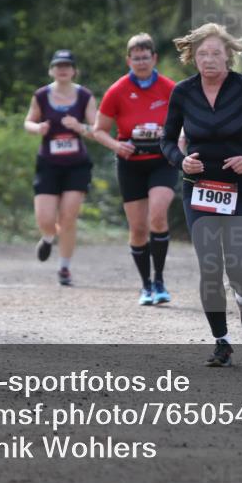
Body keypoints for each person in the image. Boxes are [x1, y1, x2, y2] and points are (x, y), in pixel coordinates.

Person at [161, 23, 242, 367]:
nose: (209, 59)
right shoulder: (183, 93)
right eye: (202, 54)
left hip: (237, 188)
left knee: (240, 265)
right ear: (192, 58)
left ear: (228, 55)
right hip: (198, 190)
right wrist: (182, 162)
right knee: (210, 266)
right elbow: (167, 140)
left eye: (215, 53)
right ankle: (221, 342)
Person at [92, 33, 177, 306]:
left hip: (162, 162)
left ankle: (160, 280)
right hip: (131, 165)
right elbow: (99, 130)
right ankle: (146, 286)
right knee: (139, 228)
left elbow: (186, 122)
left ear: (155, 58)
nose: (141, 62)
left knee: (158, 215)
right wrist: (116, 147)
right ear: (129, 60)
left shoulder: (170, 88)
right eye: (136, 58)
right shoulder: (117, 90)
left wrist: (180, 140)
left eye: (145, 57)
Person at [23, 49, 97, 286]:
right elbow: (28, 122)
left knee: (68, 217)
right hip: (48, 164)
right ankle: (47, 237)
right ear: (51, 70)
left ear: (74, 70)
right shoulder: (42, 95)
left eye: (67, 65)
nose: (63, 69)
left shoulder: (85, 96)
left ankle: (64, 268)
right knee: (45, 219)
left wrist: (79, 126)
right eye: (58, 65)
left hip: (76, 165)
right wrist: (38, 128)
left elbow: (97, 129)